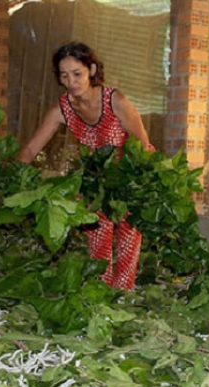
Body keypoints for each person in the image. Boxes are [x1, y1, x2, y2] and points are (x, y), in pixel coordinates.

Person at [16, 41, 155, 290]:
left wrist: (142, 187)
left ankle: (123, 297)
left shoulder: (116, 101)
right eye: (64, 75)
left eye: (77, 74)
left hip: (128, 180)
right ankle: (100, 296)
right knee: (98, 243)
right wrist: (14, 178)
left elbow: (143, 146)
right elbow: (29, 149)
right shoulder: (63, 108)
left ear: (91, 69)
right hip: (95, 183)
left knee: (127, 242)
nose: (71, 82)